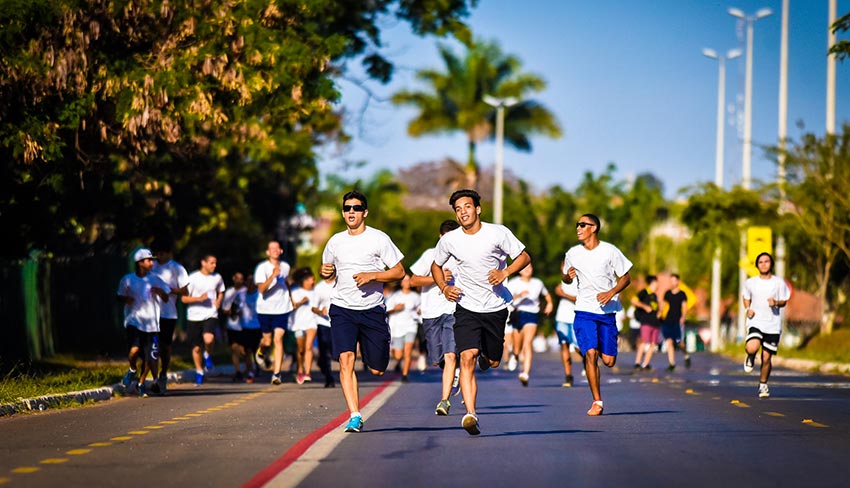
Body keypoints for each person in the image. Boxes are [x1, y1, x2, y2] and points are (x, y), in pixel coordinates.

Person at [431, 189, 530, 435]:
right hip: (466, 306)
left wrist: (505, 273)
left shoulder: (497, 233)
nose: (462, 212)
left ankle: (488, 355)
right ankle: (471, 414)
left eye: (467, 206)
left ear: (478, 209)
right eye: (458, 209)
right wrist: (444, 288)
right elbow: (436, 265)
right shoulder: (450, 239)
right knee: (467, 357)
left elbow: (524, 257)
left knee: (493, 361)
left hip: (495, 307)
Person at [320, 190, 405, 433]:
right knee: (346, 359)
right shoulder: (335, 241)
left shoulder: (378, 239)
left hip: (372, 310)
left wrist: (373, 276)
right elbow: (327, 271)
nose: (351, 212)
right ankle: (355, 415)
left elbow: (399, 272)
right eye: (347, 208)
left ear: (365, 212)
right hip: (342, 308)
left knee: (377, 369)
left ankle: (376, 349)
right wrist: (325, 272)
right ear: (343, 212)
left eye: (356, 208)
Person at [562, 214, 632, 416]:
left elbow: (626, 278)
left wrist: (611, 292)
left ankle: (596, 343)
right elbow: (565, 278)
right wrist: (567, 277)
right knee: (591, 353)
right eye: (577, 224)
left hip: (607, 312)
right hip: (584, 310)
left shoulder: (610, 251)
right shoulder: (573, 253)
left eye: (582, 225)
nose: (578, 228)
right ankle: (597, 401)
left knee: (609, 361)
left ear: (593, 228)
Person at [410, 219, 461, 416]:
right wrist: (437, 278)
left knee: (450, 355)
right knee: (437, 359)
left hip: (454, 311)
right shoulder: (430, 255)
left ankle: (444, 400)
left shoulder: (462, 257)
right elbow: (413, 280)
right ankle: (454, 371)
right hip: (431, 313)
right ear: (440, 237)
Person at [117, 248, 170, 397]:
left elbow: (166, 298)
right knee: (134, 350)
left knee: (149, 358)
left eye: (152, 260)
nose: (152, 263)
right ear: (140, 263)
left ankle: (141, 384)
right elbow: (119, 295)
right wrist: (126, 299)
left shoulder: (156, 279)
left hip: (152, 325)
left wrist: (160, 292)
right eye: (148, 260)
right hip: (134, 321)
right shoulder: (128, 279)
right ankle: (132, 369)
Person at [742, 252, 790, 399]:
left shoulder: (779, 283)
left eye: (766, 261)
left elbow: (784, 301)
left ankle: (763, 384)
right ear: (757, 265)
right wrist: (747, 309)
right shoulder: (751, 282)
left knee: (766, 358)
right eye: (760, 262)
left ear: (771, 264)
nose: (763, 264)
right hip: (755, 321)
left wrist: (775, 303)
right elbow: (746, 297)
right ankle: (750, 356)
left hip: (772, 324)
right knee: (752, 347)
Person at [149, 238, 189, 395]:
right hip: (149, 312)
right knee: (150, 346)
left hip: (168, 313)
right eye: (156, 253)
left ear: (169, 253)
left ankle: (163, 374)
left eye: (162, 253)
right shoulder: (151, 266)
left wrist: (168, 290)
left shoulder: (177, 268)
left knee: (164, 346)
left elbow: (185, 291)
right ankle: (152, 379)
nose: (159, 256)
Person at [506, 263, 553, 387]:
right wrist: (519, 295)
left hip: (532, 314)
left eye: (530, 267)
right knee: (517, 347)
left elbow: (546, 294)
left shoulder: (538, 283)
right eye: (524, 268)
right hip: (517, 313)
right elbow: (507, 298)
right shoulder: (514, 283)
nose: (527, 269)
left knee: (528, 343)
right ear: (519, 271)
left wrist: (550, 303)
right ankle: (515, 355)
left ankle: (525, 373)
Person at [254, 240, 294, 385]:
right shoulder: (262, 268)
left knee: (278, 339)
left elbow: (286, 283)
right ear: (268, 252)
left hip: (282, 309)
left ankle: (276, 374)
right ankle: (261, 351)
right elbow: (261, 289)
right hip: (265, 309)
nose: (275, 250)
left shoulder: (286, 267)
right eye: (272, 248)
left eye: (277, 248)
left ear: (281, 251)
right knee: (267, 341)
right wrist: (272, 276)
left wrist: (291, 298)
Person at [182, 253, 226, 386]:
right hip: (194, 316)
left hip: (210, 313)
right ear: (203, 263)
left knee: (209, 339)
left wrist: (218, 301)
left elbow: (221, 291)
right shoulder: (193, 278)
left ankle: (207, 355)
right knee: (196, 348)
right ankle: (199, 371)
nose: (214, 265)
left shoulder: (217, 277)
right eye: (212, 263)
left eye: (215, 263)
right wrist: (198, 299)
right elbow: (184, 299)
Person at [386, 274, 421, 383]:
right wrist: (395, 308)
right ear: (401, 283)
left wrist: (419, 311)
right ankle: (398, 360)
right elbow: (386, 310)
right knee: (398, 355)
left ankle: (405, 375)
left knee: (408, 351)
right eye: (404, 281)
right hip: (397, 327)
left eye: (408, 280)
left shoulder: (416, 297)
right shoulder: (395, 296)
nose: (407, 283)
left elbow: (420, 308)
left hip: (411, 325)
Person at [290, 267, 319, 385]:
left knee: (308, 346)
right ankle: (300, 369)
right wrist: (301, 302)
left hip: (312, 322)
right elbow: (291, 307)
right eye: (311, 279)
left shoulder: (316, 292)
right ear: (304, 281)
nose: (313, 281)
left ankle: (307, 373)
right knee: (301, 349)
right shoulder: (295, 292)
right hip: (298, 324)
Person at [222, 272, 253, 382]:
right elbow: (224, 309)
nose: (240, 281)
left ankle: (250, 371)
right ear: (233, 279)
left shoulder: (246, 291)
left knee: (245, 350)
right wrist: (232, 311)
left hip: (245, 325)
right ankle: (238, 371)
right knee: (234, 348)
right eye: (237, 278)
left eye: (241, 279)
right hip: (233, 325)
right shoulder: (229, 292)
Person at [554, 279, 581, 387]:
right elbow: (557, 290)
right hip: (562, 317)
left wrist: (563, 294)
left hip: (576, 317)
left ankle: (588, 361)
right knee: (564, 345)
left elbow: (580, 300)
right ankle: (568, 375)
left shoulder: (582, 280)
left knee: (578, 348)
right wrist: (558, 292)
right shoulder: (563, 281)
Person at [631, 275, 660, 371]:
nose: (658, 285)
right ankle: (637, 363)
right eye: (656, 282)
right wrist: (645, 307)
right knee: (644, 342)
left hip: (655, 323)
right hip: (646, 322)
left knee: (653, 344)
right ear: (653, 283)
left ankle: (645, 364)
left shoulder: (655, 295)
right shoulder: (644, 292)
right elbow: (634, 300)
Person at [660, 274, 688, 372]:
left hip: (678, 320)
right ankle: (672, 363)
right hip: (668, 320)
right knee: (669, 341)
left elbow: (684, 307)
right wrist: (659, 313)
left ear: (678, 281)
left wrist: (683, 317)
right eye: (671, 281)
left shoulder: (682, 294)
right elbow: (663, 305)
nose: (672, 283)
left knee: (679, 342)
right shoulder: (667, 293)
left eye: (674, 280)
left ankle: (686, 355)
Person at [313, 272, 336, 388]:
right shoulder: (319, 287)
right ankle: (329, 378)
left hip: (338, 322)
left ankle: (321, 362)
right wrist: (320, 311)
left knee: (334, 351)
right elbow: (313, 307)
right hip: (323, 323)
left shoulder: (340, 284)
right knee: (325, 350)